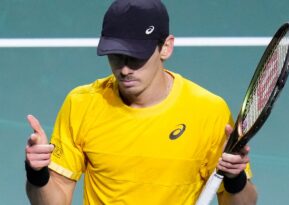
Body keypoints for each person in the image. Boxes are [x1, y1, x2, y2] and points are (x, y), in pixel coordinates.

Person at [25, 0, 257, 204]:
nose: (124, 68)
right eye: (116, 55)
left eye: (136, 56)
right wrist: (37, 174)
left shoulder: (209, 112)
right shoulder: (81, 104)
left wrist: (235, 179)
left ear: (165, 47)